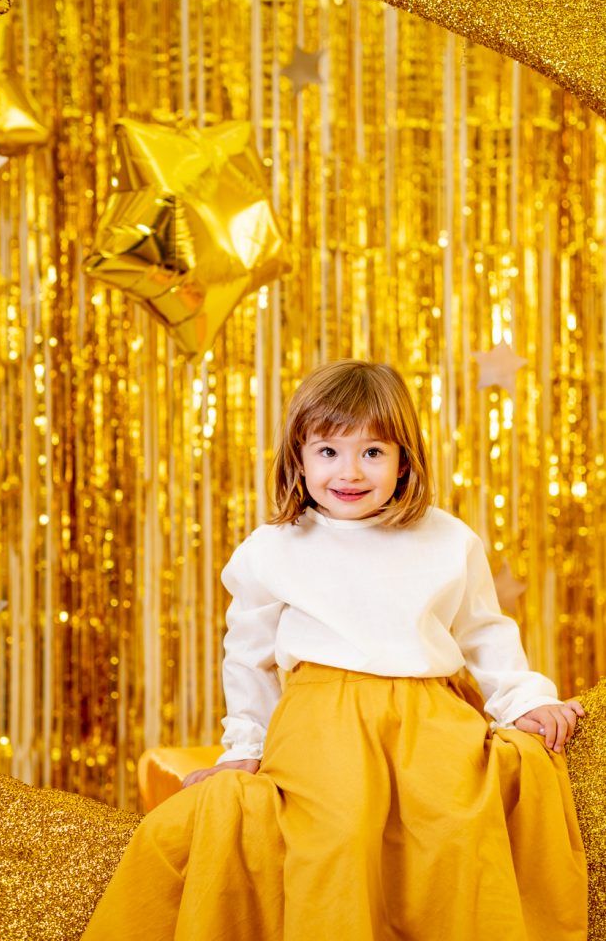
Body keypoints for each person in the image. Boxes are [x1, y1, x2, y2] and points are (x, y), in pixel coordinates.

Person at [81, 358, 589, 941]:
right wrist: (245, 745)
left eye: (372, 452)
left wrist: (522, 698)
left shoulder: (449, 539)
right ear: (298, 458)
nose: (349, 471)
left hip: (432, 721)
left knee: (453, 829)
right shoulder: (273, 548)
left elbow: (483, 630)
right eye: (328, 451)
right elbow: (248, 656)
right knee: (333, 839)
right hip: (321, 725)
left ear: (404, 461)